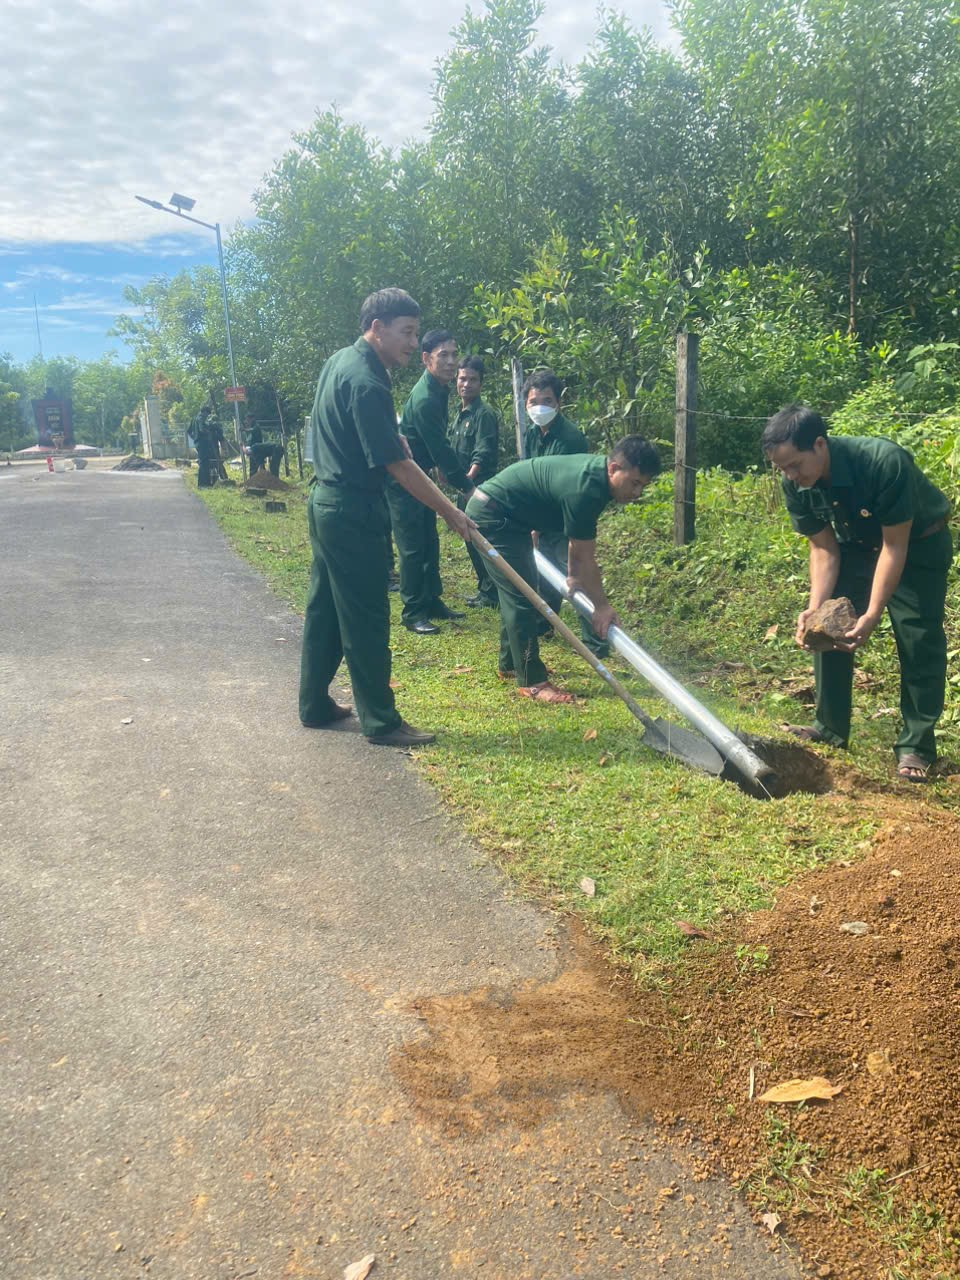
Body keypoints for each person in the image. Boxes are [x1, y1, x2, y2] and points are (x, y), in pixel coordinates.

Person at [298, 288, 475, 748]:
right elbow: (398, 467)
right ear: (377, 328)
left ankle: (314, 704)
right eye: (407, 333)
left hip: (326, 501)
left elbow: (368, 435)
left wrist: (394, 439)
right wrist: (452, 512)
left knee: (326, 613)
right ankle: (381, 720)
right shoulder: (368, 381)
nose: (413, 344)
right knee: (367, 619)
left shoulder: (342, 361)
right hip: (352, 511)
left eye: (416, 333)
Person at [762, 404, 953, 781]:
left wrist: (873, 613)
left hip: (917, 546)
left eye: (796, 465)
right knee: (825, 627)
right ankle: (830, 727)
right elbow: (823, 548)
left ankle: (917, 745)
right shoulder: (795, 482)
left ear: (819, 445)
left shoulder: (884, 462)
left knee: (918, 639)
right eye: (782, 468)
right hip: (856, 545)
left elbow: (894, 548)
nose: (791, 476)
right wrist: (814, 607)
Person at [465, 437, 661, 703]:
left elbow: (575, 540)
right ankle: (532, 681)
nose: (637, 492)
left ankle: (511, 665)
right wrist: (601, 606)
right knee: (521, 596)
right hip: (492, 515)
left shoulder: (598, 481)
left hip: (508, 516)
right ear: (614, 468)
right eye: (635, 482)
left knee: (519, 592)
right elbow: (585, 556)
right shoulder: (587, 489)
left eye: (643, 486)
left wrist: (573, 575)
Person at [387, 329, 475, 634]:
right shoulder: (425, 397)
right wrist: (466, 485)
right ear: (426, 359)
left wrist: (438, 467)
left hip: (423, 475)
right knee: (412, 546)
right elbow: (441, 448)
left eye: (454, 354)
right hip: (405, 480)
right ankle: (412, 612)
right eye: (443, 356)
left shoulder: (439, 388)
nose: (452, 362)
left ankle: (432, 601)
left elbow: (436, 446)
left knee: (430, 540)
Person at [521, 368, 607, 657]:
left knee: (576, 579)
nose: (539, 407)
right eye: (534, 401)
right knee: (545, 574)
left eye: (546, 400)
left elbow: (562, 487)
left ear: (558, 403)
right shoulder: (533, 433)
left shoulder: (569, 438)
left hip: (565, 518)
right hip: (543, 518)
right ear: (525, 405)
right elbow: (531, 476)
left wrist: (536, 524)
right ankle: (544, 624)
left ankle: (597, 642)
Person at [450, 356, 500, 608]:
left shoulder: (484, 414)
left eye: (472, 380)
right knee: (469, 538)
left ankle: (492, 593)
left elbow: (484, 450)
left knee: (483, 539)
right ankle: (485, 588)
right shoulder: (460, 415)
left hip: (480, 488)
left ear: (481, 383)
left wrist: (469, 479)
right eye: (462, 379)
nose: (466, 384)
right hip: (463, 487)